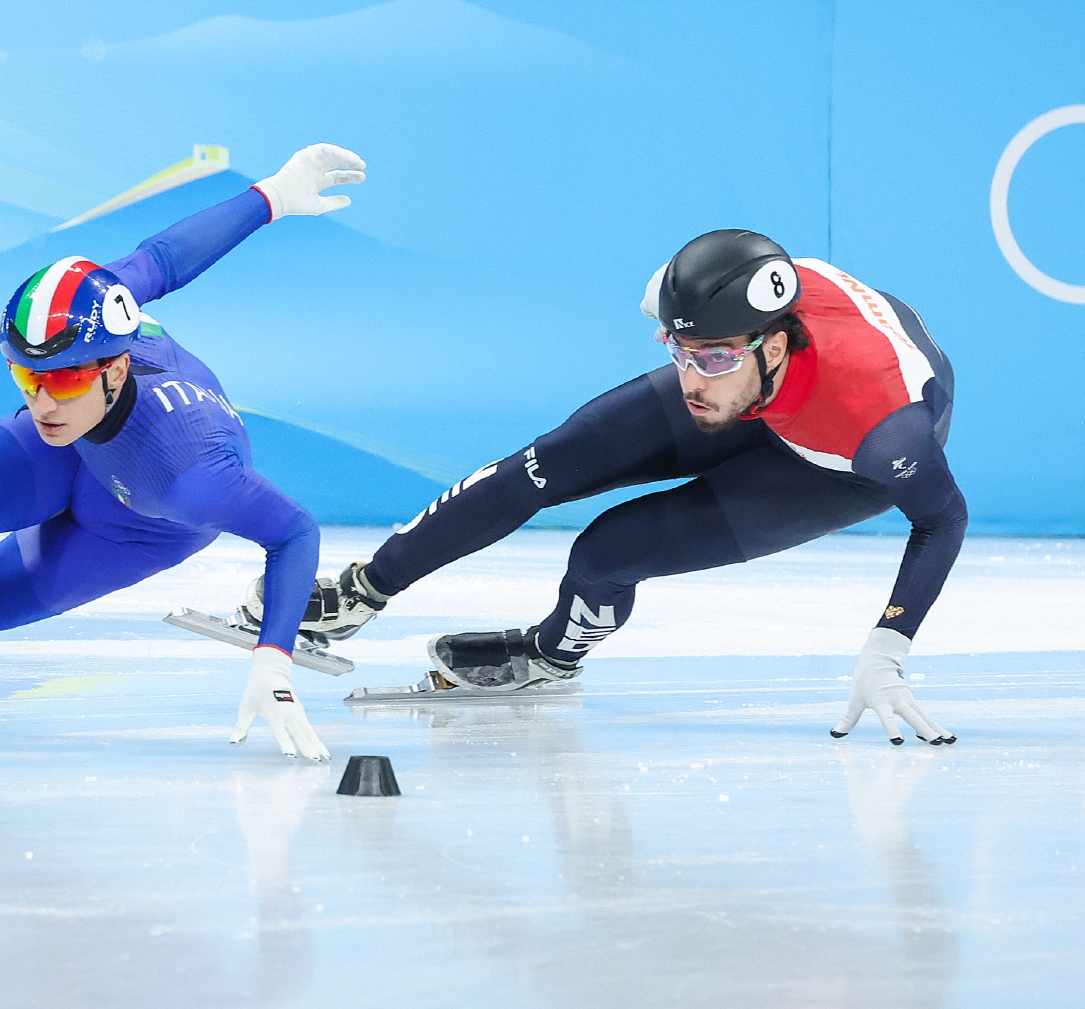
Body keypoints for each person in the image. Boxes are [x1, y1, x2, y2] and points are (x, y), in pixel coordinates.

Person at [0, 144, 368, 761]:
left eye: (62, 380)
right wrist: (269, 196)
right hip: (82, 449)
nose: (42, 404)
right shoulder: (93, 319)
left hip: (135, 524)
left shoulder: (195, 476)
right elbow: (162, 258)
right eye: (26, 378)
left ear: (115, 366)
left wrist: (274, 659)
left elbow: (294, 531)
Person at [297, 229, 966, 745]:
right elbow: (699, 351)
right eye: (678, 352)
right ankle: (361, 591)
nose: (690, 378)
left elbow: (943, 519)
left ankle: (549, 656)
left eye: (710, 358)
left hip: (829, 461)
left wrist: (889, 646)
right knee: (549, 461)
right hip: (766, 394)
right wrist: (705, 356)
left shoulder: (885, 435)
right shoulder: (707, 322)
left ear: (774, 345)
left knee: (606, 554)